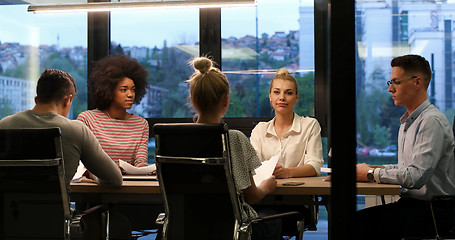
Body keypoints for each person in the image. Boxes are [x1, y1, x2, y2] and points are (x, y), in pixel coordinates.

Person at [356, 54, 455, 239]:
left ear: (417, 82)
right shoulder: (408, 123)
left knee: (353, 225)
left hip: (434, 212)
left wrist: (371, 174)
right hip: (416, 206)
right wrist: (373, 169)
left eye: (396, 82)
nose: (390, 89)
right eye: (390, 82)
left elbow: (415, 176)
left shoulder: (431, 122)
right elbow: (406, 168)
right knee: (354, 222)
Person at [186, 56, 279, 240]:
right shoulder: (233, 139)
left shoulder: (177, 141)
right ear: (226, 100)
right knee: (274, 220)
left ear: (193, 100)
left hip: (188, 229)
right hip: (234, 231)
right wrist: (266, 187)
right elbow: (251, 196)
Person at [0, 69, 122, 188]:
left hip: (10, 208)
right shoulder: (76, 130)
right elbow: (114, 179)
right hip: (55, 209)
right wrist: (93, 176)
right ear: (67, 100)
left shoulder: (4, 125)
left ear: (36, 100)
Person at [77, 55, 150, 168]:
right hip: (94, 184)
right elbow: (81, 162)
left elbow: (140, 161)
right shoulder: (87, 119)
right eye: (124, 90)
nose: (130, 94)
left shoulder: (141, 125)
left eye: (133, 90)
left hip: (129, 183)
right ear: (109, 91)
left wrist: (146, 169)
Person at [250, 68, 324, 178]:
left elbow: (315, 165)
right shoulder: (259, 130)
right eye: (276, 92)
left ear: (296, 97)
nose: (282, 98)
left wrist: (287, 172)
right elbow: (253, 167)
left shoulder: (310, 125)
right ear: (270, 96)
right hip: (266, 192)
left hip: (301, 192)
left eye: (288, 93)